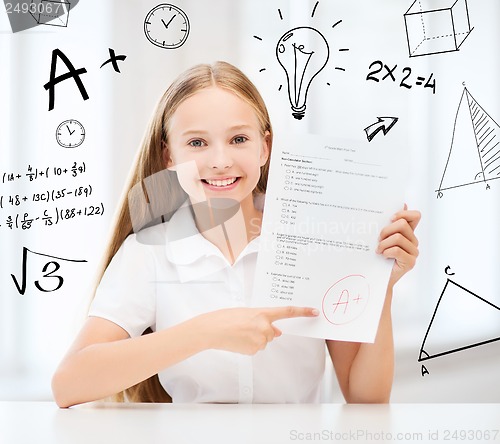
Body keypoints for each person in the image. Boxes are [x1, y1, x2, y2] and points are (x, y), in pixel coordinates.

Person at [51, 61, 420, 408]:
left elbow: (365, 398)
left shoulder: (315, 236)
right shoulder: (148, 254)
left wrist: (380, 286)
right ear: (169, 157)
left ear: (265, 147)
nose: (220, 161)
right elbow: (69, 383)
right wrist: (207, 331)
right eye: (197, 143)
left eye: (238, 139)